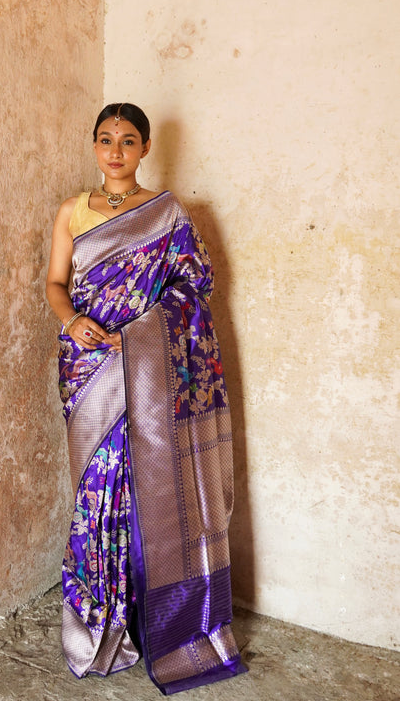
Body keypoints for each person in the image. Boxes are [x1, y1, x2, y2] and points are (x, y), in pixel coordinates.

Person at [45, 102, 246, 694]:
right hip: (86, 368)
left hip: (149, 369)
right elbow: (56, 284)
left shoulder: (167, 214)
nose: (115, 151)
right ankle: (97, 625)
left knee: (148, 486)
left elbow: (195, 287)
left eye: (127, 141)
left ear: (145, 149)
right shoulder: (71, 212)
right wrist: (72, 321)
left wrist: (136, 336)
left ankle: (151, 619)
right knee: (95, 493)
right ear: (93, 145)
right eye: (105, 139)